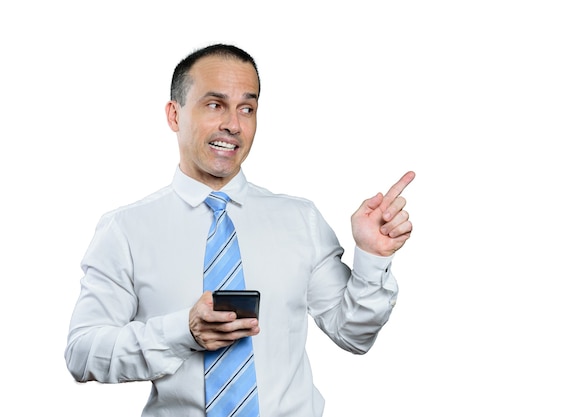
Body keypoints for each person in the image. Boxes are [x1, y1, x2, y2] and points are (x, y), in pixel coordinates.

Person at [65, 43, 415, 417]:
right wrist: (183, 331)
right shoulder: (125, 230)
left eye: (247, 108)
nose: (233, 124)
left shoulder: (301, 220)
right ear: (174, 115)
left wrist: (372, 259)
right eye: (215, 105)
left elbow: (354, 335)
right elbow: (83, 353)